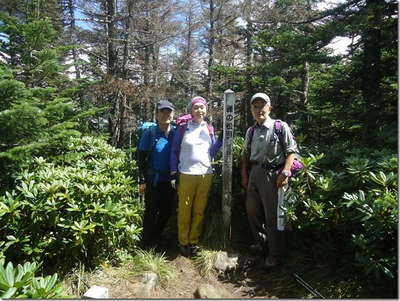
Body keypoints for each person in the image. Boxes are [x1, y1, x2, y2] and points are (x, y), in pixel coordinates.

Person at [240, 92, 299, 269]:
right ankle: (260, 244)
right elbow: (245, 155)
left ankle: (274, 254)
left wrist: (286, 172)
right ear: (251, 109)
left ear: (269, 108)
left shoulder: (280, 127)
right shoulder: (251, 131)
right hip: (254, 174)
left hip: (272, 175)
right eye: (255, 106)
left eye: (262, 106)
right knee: (252, 212)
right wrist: (244, 175)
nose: (259, 110)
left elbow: (291, 151)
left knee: (272, 216)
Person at [170, 96, 222, 257]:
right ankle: (183, 241)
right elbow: (174, 150)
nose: (199, 110)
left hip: (205, 174)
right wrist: (173, 173)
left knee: (199, 209)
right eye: (196, 107)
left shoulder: (209, 128)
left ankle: (193, 241)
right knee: (184, 209)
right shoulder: (183, 128)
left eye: (202, 107)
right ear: (191, 110)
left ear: (206, 110)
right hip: (186, 173)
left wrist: (221, 140)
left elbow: (211, 152)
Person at [137, 100, 176, 249]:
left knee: (166, 212)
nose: (166, 115)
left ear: (172, 115)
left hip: (170, 180)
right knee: (151, 211)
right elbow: (141, 156)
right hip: (153, 180)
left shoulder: (175, 132)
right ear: (157, 115)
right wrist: (142, 179)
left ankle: (157, 239)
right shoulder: (150, 133)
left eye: (169, 112)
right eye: (163, 112)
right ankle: (146, 244)